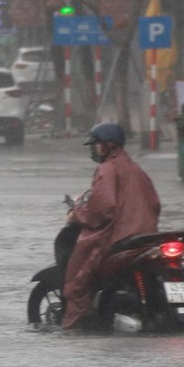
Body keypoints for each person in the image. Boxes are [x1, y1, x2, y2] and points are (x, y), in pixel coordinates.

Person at [61, 122, 161, 331]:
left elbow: (103, 208)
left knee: (78, 278)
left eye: (96, 144)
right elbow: (155, 204)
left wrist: (79, 214)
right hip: (145, 236)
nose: (94, 149)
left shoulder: (106, 169)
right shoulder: (135, 168)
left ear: (107, 145)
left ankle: (77, 323)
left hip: (117, 236)